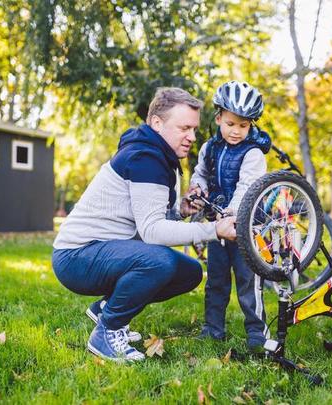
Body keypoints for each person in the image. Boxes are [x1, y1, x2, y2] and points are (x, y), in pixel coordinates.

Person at [52, 87, 237, 362]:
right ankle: (107, 331)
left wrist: (180, 210)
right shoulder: (145, 158)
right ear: (157, 123)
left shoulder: (159, 155)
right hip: (76, 256)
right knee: (160, 261)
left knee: (190, 272)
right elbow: (152, 232)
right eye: (184, 127)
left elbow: (148, 218)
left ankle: (107, 308)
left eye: (194, 129)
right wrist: (213, 231)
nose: (192, 137)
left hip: (103, 250)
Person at [189, 81, 271, 350]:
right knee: (216, 281)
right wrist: (197, 188)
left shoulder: (253, 153)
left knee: (249, 283)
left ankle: (257, 334)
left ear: (251, 125)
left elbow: (247, 186)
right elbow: (201, 174)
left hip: (246, 229)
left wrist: (232, 212)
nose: (236, 131)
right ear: (219, 118)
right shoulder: (209, 149)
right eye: (231, 124)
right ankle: (213, 329)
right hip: (218, 227)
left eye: (243, 126)